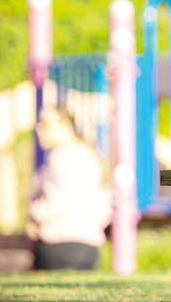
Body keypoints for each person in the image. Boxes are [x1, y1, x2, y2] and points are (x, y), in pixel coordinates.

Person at [27, 106, 111, 270]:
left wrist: (36, 214)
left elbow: (64, 202)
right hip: (89, 241)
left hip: (59, 240)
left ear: (66, 125)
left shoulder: (61, 157)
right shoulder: (91, 155)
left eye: (45, 124)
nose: (39, 130)